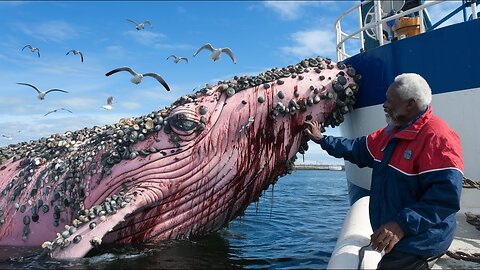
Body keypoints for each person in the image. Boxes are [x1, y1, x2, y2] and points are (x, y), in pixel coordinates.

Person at [304, 73, 464, 269]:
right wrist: (322, 139)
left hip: (420, 242)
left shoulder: (438, 138)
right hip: (402, 238)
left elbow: (444, 199)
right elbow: (357, 149)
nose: (384, 104)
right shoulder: (390, 133)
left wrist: (400, 225)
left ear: (410, 104)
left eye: (390, 100)